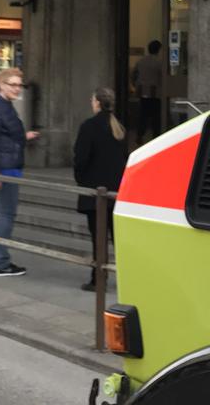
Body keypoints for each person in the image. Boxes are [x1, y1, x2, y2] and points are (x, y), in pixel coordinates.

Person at [0, 67, 39, 277]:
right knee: (6, 214)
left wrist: (24, 136)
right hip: (5, 168)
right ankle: (1, 262)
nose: (17, 89)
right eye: (12, 84)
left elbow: (5, 135)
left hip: (4, 165)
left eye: (19, 85)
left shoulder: (3, 106)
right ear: (2, 85)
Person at [73, 87, 128, 292]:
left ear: (96, 102)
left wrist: (81, 180)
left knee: (99, 238)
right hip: (115, 191)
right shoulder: (119, 127)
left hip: (95, 191)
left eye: (92, 99)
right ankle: (126, 278)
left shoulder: (89, 126)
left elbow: (81, 158)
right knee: (117, 238)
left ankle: (99, 279)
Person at [131, 39, 164, 143]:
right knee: (156, 117)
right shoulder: (159, 62)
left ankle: (139, 136)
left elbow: (133, 74)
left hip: (142, 92)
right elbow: (163, 78)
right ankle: (156, 137)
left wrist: (135, 85)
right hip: (155, 93)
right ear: (158, 50)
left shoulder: (141, 61)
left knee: (143, 116)